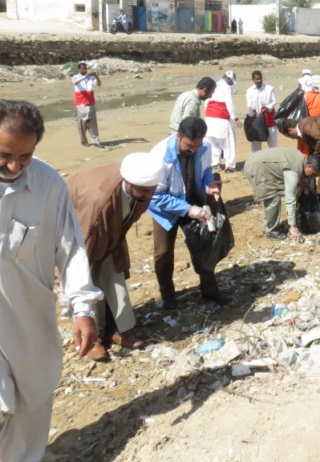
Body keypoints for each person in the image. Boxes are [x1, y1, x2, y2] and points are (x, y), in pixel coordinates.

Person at [0, 99, 101, 461]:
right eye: (5, 155)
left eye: (25, 157)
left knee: (32, 406)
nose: (15, 166)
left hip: (28, 323)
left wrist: (83, 308)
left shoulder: (48, 185)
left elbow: (70, 249)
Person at [67, 152, 165, 362]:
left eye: (152, 190)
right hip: (80, 231)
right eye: (144, 191)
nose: (149, 195)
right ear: (128, 184)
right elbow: (83, 245)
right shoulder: (98, 201)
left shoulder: (142, 185)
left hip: (110, 232)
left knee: (114, 273)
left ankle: (119, 329)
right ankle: (91, 337)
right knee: (88, 277)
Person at [148, 117, 223, 309]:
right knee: (163, 253)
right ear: (179, 136)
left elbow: (206, 170)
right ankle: (168, 297)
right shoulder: (159, 157)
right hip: (166, 208)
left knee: (203, 245)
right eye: (189, 146)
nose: (193, 150)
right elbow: (155, 197)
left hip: (193, 199)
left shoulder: (203, 146)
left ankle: (210, 292)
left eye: (197, 146)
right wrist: (187, 209)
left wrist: (208, 185)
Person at [243, 147, 320, 242]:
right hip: (256, 168)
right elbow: (290, 198)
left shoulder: (301, 159)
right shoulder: (293, 171)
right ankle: (271, 230)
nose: (312, 177)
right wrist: (293, 227)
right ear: (309, 166)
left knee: (288, 190)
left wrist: (301, 181)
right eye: (314, 174)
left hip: (263, 165)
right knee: (273, 197)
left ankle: (269, 225)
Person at [205, 70, 241, 172]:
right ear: (228, 79)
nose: (231, 84)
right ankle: (229, 166)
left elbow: (206, 102)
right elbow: (229, 103)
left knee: (214, 143)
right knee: (229, 143)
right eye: (231, 82)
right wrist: (235, 118)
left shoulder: (213, 85)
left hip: (209, 118)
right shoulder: (226, 87)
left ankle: (215, 164)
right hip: (221, 117)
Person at [72, 61, 102, 147]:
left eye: (86, 69)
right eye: (83, 69)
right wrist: (86, 76)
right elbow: (75, 82)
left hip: (91, 102)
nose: (85, 70)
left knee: (93, 123)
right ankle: (84, 141)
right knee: (82, 124)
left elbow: (99, 84)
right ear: (79, 69)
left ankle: (96, 141)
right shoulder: (75, 77)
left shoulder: (90, 78)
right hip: (80, 103)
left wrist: (96, 76)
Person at [246, 70, 278, 151]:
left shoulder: (269, 89)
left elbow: (274, 101)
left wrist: (267, 107)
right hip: (256, 119)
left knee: (272, 140)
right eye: (257, 79)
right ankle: (256, 160)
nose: (259, 81)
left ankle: (274, 159)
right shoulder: (249, 91)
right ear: (253, 79)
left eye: (260, 79)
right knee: (255, 140)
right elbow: (249, 105)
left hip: (268, 118)